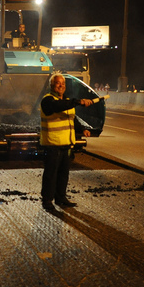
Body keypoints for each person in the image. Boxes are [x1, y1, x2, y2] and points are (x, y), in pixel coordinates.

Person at [40, 73, 93, 211]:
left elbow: (72, 118)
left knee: (63, 174)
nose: (61, 86)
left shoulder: (67, 101)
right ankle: (47, 201)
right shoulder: (47, 101)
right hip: (53, 144)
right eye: (58, 83)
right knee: (51, 174)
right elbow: (58, 106)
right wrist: (78, 101)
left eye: (63, 84)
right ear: (52, 86)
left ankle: (61, 198)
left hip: (66, 144)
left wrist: (82, 129)